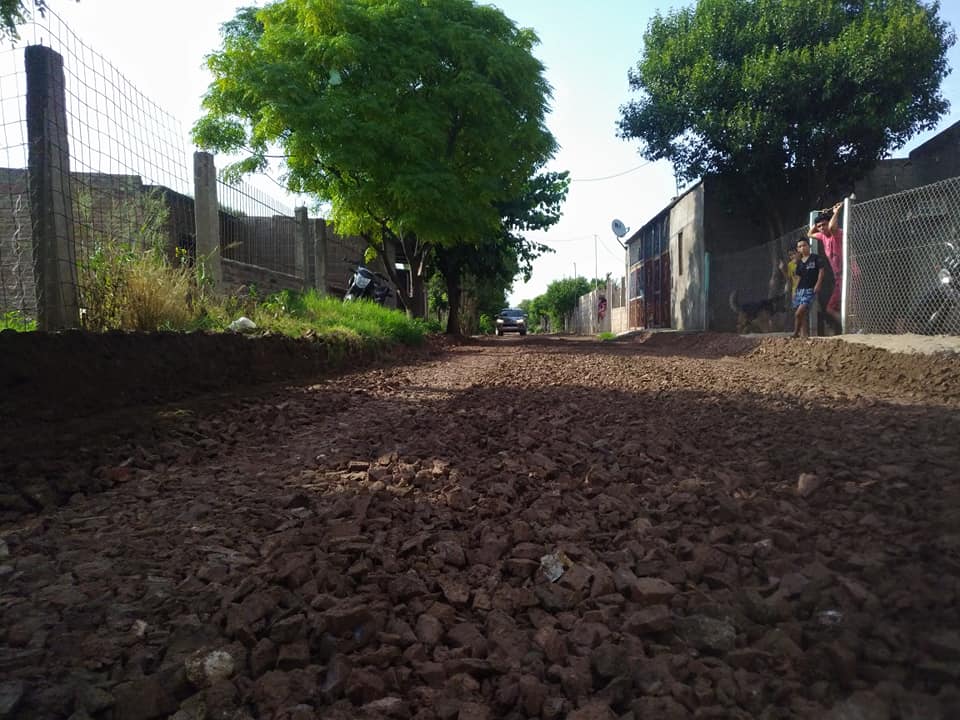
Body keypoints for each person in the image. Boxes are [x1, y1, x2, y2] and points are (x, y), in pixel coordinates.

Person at [808, 202, 844, 334]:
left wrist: (835, 213)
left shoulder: (837, 233)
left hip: (850, 274)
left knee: (850, 306)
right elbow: (810, 233)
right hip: (839, 279)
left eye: (824, 224)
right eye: (819, 226)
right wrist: (821, 216)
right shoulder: (823, 237)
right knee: (830, 308)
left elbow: (833, 227)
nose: (822, 228)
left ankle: (853, 328)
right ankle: (849, 327)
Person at [793, 237, 825, 338]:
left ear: (809, 246)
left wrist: (818, 284)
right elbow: (798, 277)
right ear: (798, 249)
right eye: (800, 247)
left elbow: (821, 271)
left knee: (799, 313)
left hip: (810, 289)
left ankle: (795, 333)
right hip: (800, 290)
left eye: (804, 245)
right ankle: (804, 335)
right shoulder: (799, 262)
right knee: (802, 315)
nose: (802, 248)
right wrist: (794, 290)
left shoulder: (815, 258)